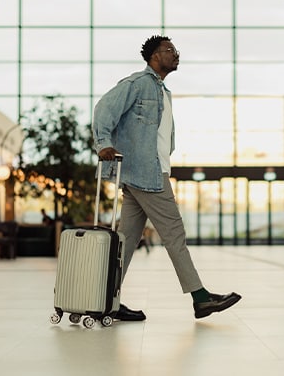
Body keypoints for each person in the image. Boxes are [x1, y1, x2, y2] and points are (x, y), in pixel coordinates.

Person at [92, 34, 241, 321]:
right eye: (169, 50)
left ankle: (104, 301)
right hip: (147, 173)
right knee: (174, 234)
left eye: (175, 50)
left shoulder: (162, 90)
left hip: (142, 172)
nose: (176, 54)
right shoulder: (138, 84)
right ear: (154, 56)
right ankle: (201, 298)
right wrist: (103, 144)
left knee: (126, 240)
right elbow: (103, 110)